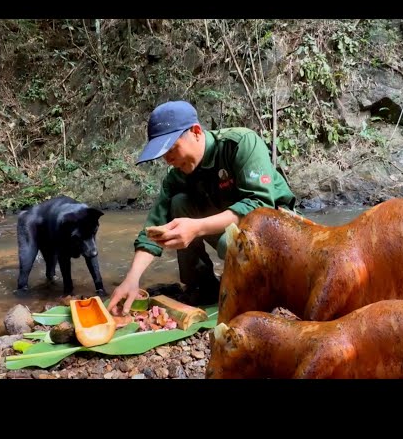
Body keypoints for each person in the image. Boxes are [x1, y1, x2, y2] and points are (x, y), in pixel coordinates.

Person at [107, 100, 296, 316]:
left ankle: (265, 292)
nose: (168, 159)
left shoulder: (240, 143)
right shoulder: (176, 177)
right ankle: (202, 287)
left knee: (231, 242)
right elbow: (154, 227)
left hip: (280, 232)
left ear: (196, 132)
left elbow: (260, 205)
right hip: (235, 229)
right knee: (178, 203)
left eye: (171, 148)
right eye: (163, 154)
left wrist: (196, 227)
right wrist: (132, 279)